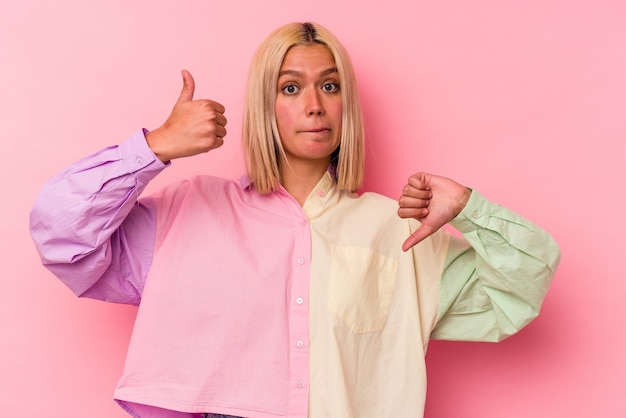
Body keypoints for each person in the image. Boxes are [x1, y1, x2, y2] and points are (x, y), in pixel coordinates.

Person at [29, 22, 560, 418]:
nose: (313, 105)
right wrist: (153, 148)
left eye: (329, 87)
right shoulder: (188, 210)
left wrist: (471, 208)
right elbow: (61, 237)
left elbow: (518, 294)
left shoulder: (400, 227)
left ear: (345, 104)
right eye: (290, 87)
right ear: (265, 104)